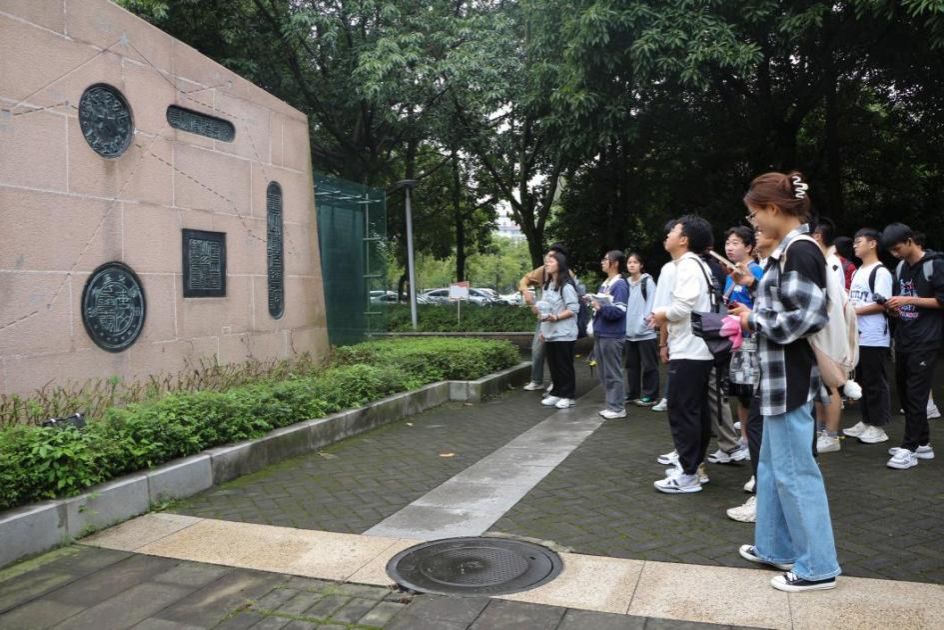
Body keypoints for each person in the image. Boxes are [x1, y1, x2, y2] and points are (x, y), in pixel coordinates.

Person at [731, 171, 841, 592]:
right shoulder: (792, 250)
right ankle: (775, 546)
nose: (753, 222)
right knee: (773, 467)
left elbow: (808, 316)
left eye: (754, 214)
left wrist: (752, 319)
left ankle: (819, 567)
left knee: (796, 472)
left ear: (774, 209)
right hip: (778, 377)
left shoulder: (800, 250)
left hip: (790, 378)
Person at [648, 215, 717, 494]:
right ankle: (694, 467)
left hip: (689, 349)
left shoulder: (687, 265)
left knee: (683, 411)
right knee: (696, 411)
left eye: (673, 231)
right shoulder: (698, 265)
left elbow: (681, 308)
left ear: (684, 239)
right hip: (699, 349)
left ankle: (688, 474)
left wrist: (659, 314)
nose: (668, 235)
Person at [726, 225, 779, 524]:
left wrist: (748, 316)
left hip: (767, 356)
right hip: (751, 349)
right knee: (748, 406)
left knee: (763, 421)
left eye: (737, 242)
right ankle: (761, 486)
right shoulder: (762, 269)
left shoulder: (785, 261)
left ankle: (765, 495)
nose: (730, 247)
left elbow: (788, 319)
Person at [882, 223, 944, 469]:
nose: (895, 254)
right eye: (891, 251)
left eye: (897, 248)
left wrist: (909, 299)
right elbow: (903, 303)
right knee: (906, 394)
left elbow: (941, 300)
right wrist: (893, 308)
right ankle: (923, 444)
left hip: (926, 340)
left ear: (910, 241)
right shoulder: (900, 267)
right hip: (904, 338)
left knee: (917, 396)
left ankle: (908, 448)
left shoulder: (935, 264)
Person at [842, 229, 893, 445]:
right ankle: (866, 421)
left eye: (859, 241)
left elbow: (884, 304)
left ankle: (878, 427)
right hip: (857, 335)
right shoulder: (858, 271)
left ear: (872, 244)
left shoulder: (880, 272)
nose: (855, 245)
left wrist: (854, 311)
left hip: (874, 335)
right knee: (861, 380)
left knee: (875, 381)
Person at [810, 219, 846, 454]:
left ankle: (831, 435)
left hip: (829, 332)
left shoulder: (830, 262)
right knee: (820, 384)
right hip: (821, 332)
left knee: (831, 382)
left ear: (817, 237)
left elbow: (833, 302)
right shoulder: (823, 259)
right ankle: (821, 430)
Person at [520, 243, 570, 392]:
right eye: (547, 257)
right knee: (537, 349)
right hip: (544, 319)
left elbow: (573, 307)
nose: (547, 261)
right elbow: (524, 280)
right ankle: (537, 380)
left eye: (552, 258)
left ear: (560, 261)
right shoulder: (543, 271)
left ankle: (558, 384)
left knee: (557, 354)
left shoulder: (568, 278)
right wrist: (526, 293)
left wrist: (557, 317)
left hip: (561, 321)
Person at [537, 251, 580, 409]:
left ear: (560, 265)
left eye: (551, 261)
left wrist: (555, 317)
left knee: (564, 366)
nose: (547, 264)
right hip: (550, 333)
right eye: (546, 261)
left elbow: (573, 309)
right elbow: (544, 308)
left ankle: (568, 396)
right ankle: (556, 393)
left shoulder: (566, 286)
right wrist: (542, 329)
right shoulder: (547, 285)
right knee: (553, 366)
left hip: (564, 333)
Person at [592, 251, 630, 419]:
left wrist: (600, 307)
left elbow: (619, 311)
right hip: (601, 332)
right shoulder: (606, 284)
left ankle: (617, 408)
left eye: (605, 259)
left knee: (612, 372)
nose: (602, 262)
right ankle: (611, 405)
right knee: (604, 372)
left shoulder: (620, 285)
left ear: (615, 263)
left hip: (612, 334)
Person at [624, 252, 659, 407]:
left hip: (645, 332)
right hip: (629, 332)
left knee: (649, 365)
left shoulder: (648, 282)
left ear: (641, 265)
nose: (631, 265)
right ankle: (633, 393)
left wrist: (644, 323)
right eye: (629, 262)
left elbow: (652, 304)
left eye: (635, 262)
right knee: (631, 366)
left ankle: (651, 395)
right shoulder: (625, 283)